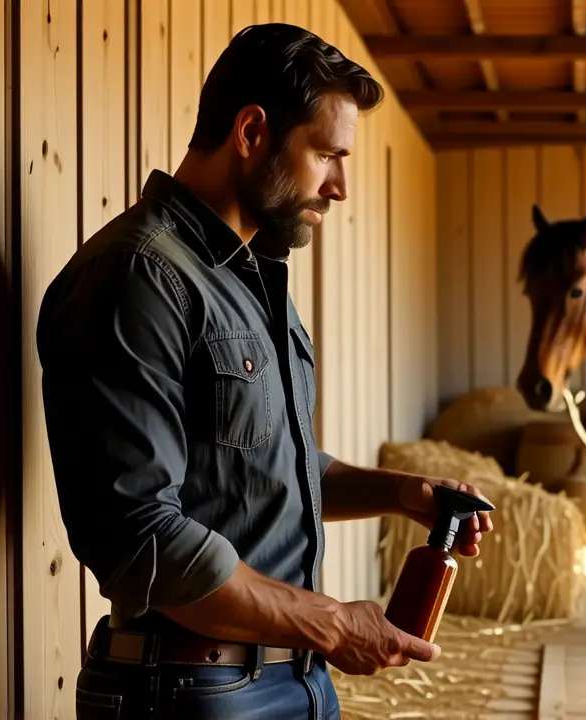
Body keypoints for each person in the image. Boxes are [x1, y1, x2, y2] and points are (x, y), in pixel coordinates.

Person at [36, 23, 492, 720]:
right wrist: (335, 624)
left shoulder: (248, 280)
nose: (339, 187)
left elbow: (265, 469)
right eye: (327, 155)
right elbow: (142, 536)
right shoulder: (139, 277)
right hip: (192, 695)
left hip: (291, 681)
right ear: (251, 132)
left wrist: (402, 492)